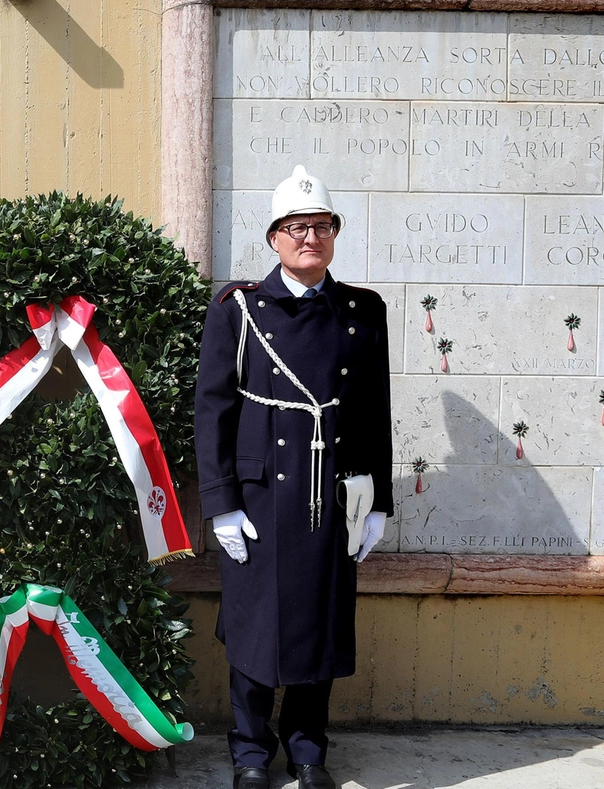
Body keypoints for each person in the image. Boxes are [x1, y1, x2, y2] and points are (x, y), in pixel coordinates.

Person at [194, 166, 393, 789]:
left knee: (319, 624)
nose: (311, 237)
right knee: (255, 630)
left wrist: (379, 501)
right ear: (275, 237)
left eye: (322, 226)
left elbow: (371, 411)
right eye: (297, 227)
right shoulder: (239, 309)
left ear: (334, 235)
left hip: (330, 494)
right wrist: (220, 503)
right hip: (258, 496)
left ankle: (309, 752)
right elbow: (213, 408)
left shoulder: (362, 311)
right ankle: (250, 753)